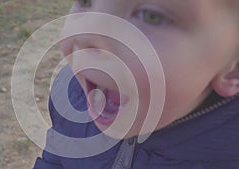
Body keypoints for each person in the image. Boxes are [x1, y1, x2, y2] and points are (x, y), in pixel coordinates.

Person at [33, 0, 239, 168]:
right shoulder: (72, 93)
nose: (86, 34)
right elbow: (57, 158)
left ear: (232, 69)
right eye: (86, 2)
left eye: (152, 16)